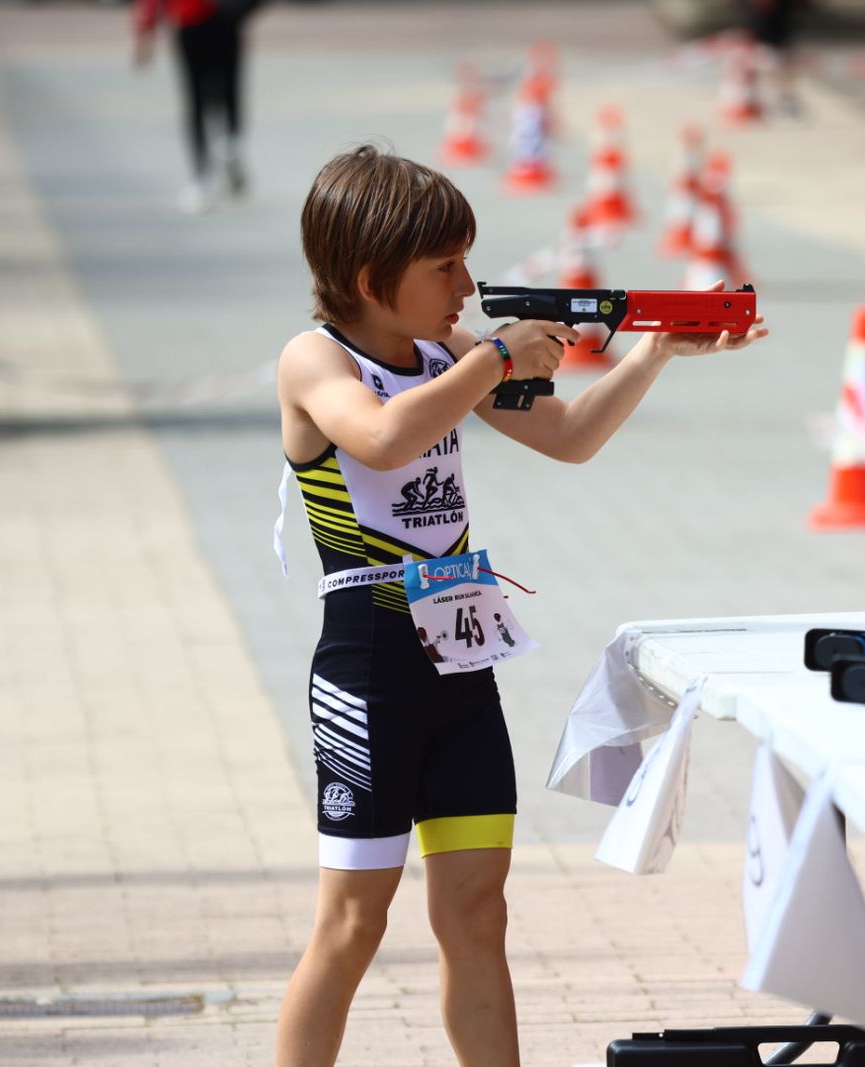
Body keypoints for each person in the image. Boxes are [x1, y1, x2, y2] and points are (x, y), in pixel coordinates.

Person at [272, 144, 766, 1067]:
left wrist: (656, 348)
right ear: (373, 278)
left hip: (458, 663)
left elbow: (570, 435)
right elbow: (381, 438)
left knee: (477, 912)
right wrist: (496, 356)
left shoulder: (444, 351)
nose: (470, 283)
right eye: (446, 266)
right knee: (353, 922)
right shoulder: (315, 359)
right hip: (370, 666)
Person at [132, 0, 254, 214]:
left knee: (197, 103)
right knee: (228, 89)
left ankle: (203, 178)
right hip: (222, 19)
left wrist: (146, 30)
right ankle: (229, 146)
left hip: (193, 21)